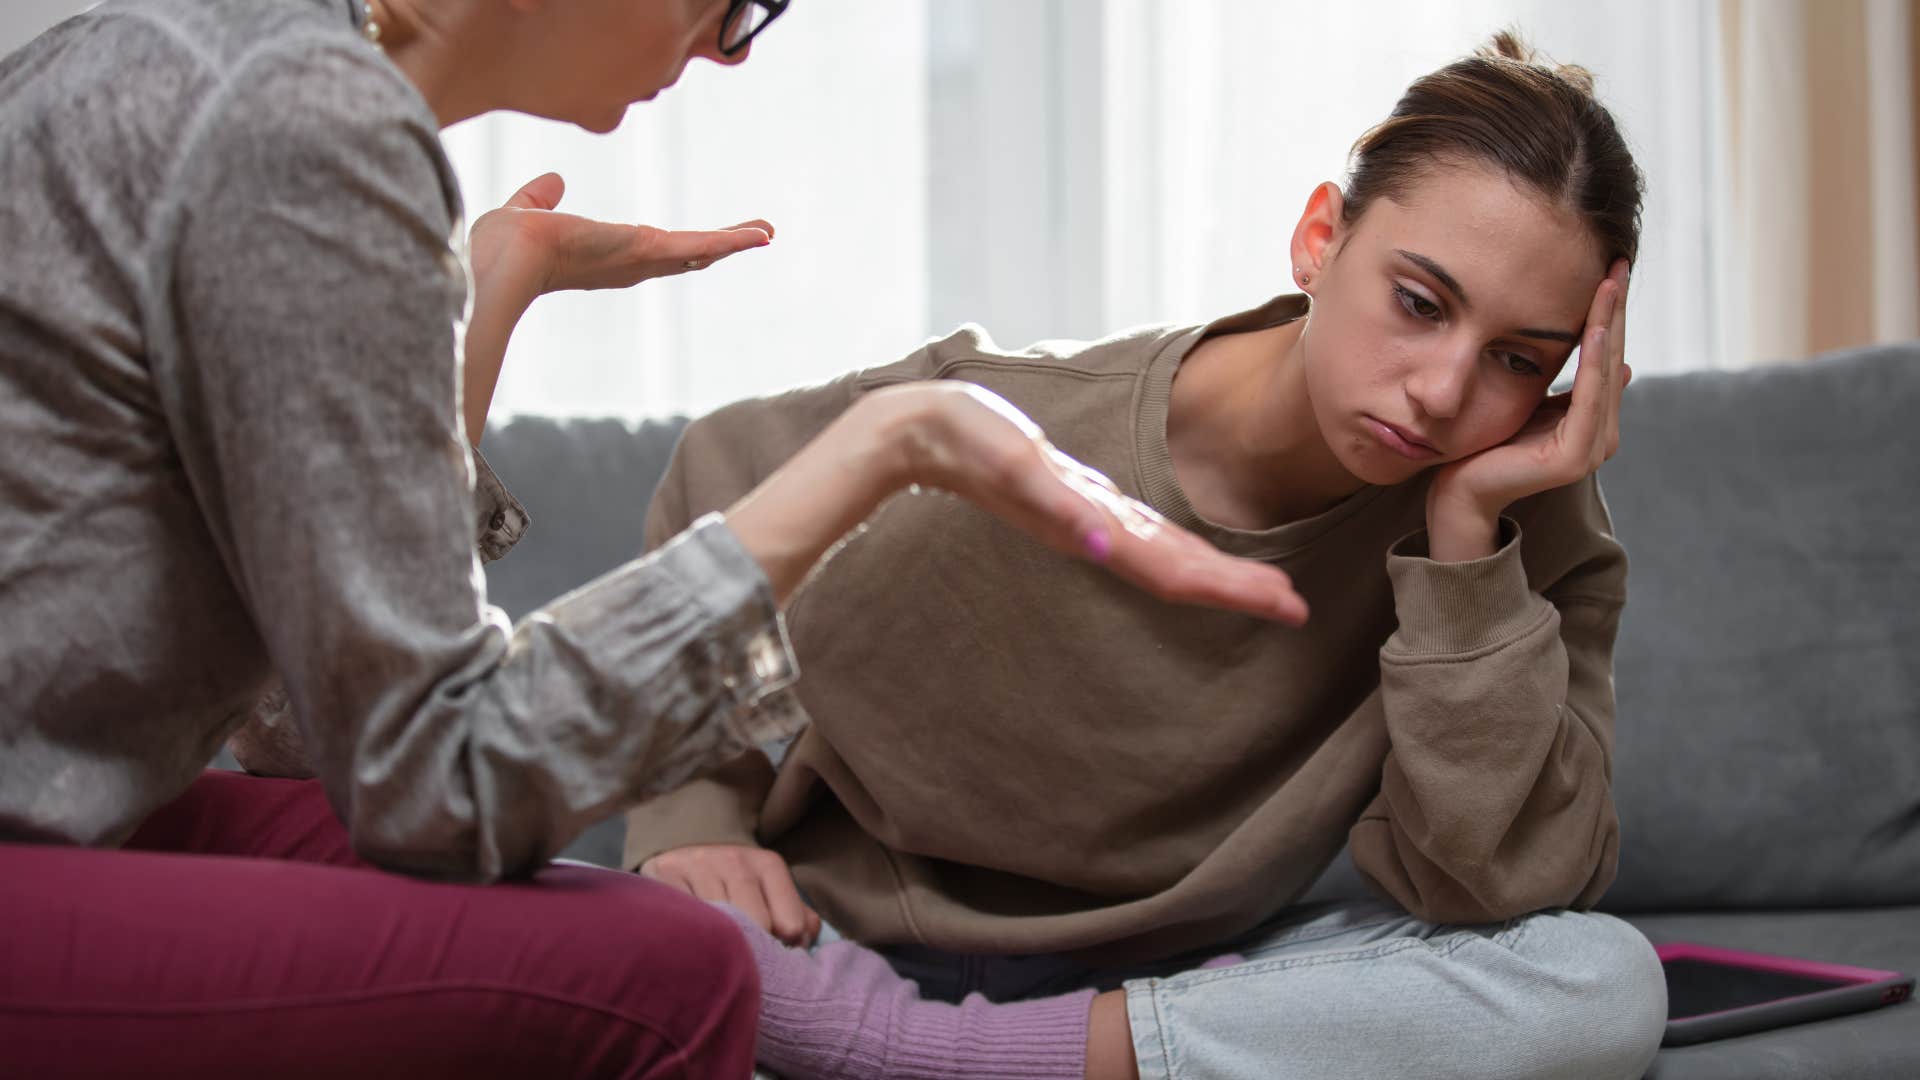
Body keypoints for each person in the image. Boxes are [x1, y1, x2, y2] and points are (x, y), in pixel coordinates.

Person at [0, 0, 1307, 1074]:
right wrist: (883, 449)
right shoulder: (302, 130)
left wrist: (483, 304)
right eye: (737, 4)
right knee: (660, 978)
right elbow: (438, 787)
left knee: (635, 929)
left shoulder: (238, 74)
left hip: (81, 816)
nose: (732, 49)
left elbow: (306, 735)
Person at [626, 32, 1669, 1080]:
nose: (1443, 391)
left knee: (1601, 980)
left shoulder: (1512, 514)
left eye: (1515, 360)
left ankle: (935, 1060)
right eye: (1419, 303)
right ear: (1319, 239)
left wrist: (1464, 547)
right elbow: (717, 477)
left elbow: (1495, 884)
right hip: (853, 945)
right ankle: (907, 1038)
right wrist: (690, 812)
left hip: (1173, 987)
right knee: (647, 944)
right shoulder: (1010, 417)